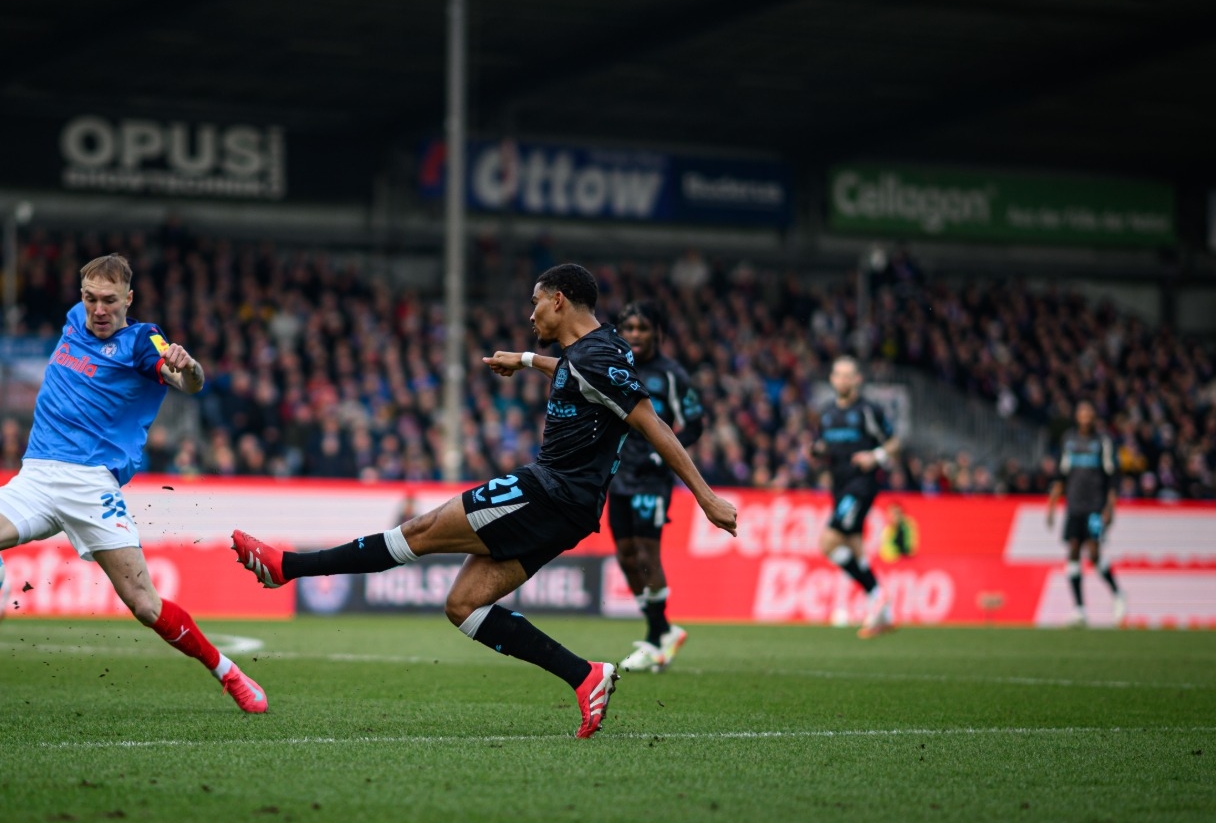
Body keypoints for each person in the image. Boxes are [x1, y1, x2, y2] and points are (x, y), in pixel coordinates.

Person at [231, 265, 737, 738]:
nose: (530, 313)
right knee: (464, 605)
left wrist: (707, 498)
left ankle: (286, 567)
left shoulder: (597, 357)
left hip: (550, 492)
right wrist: (521, 361)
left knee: (420, 532)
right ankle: (585, 677)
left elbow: (651, 422)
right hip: (570, 508)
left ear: (559, 301)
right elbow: (567, 371)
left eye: (536, 302)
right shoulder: (594, 351)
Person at [0, 255, 269, 713]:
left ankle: (228, 672)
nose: (98, 310)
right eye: (89, 299)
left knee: (144, 603)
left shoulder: (142, 342)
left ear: (129, 300)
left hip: (90, 485)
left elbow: (188, 382)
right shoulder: (72, 323)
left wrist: (189, 365)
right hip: (37, 474)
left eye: (109, 301)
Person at [608, 302, 705, 673]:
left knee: (648, 554)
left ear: (657, 333)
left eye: (642, 328)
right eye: (628, 327)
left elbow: (694, 424)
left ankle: (654, 637)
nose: (634, 334)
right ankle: (663, 631)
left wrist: (663, 456)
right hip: (617, 474)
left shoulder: (671, 375)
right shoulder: (614, 367)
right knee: (625, 556)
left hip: (651, 477)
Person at [810, 356, 900, 639]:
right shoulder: (826, 413)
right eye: (838, 375)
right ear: (832, 379)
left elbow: (894, 441)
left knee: (828, 542)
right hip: (839, 487)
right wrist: (817, 451)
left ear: (857, 379)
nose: (843, 380)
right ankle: (883, 612)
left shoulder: (868, 410)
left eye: (849, 375)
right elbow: (824, 447)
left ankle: (876, 593)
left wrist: (876, 456)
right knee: (853, 543)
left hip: (862, 485)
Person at [1046, 400, 1125, 627]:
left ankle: (1118, 593)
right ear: (1077, 416)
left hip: (1096, 507)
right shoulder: (1068, 441)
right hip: (1074, 507)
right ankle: (1080, 610)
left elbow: (1112, 477)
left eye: (1089, 413)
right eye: (1082, 413)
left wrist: (1110, 507)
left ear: (1094, 417)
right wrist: (1052, 505)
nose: (1085, 417)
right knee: (1072, 551)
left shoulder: (1103, 442)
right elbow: (1062, 475)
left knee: (1093, 552)